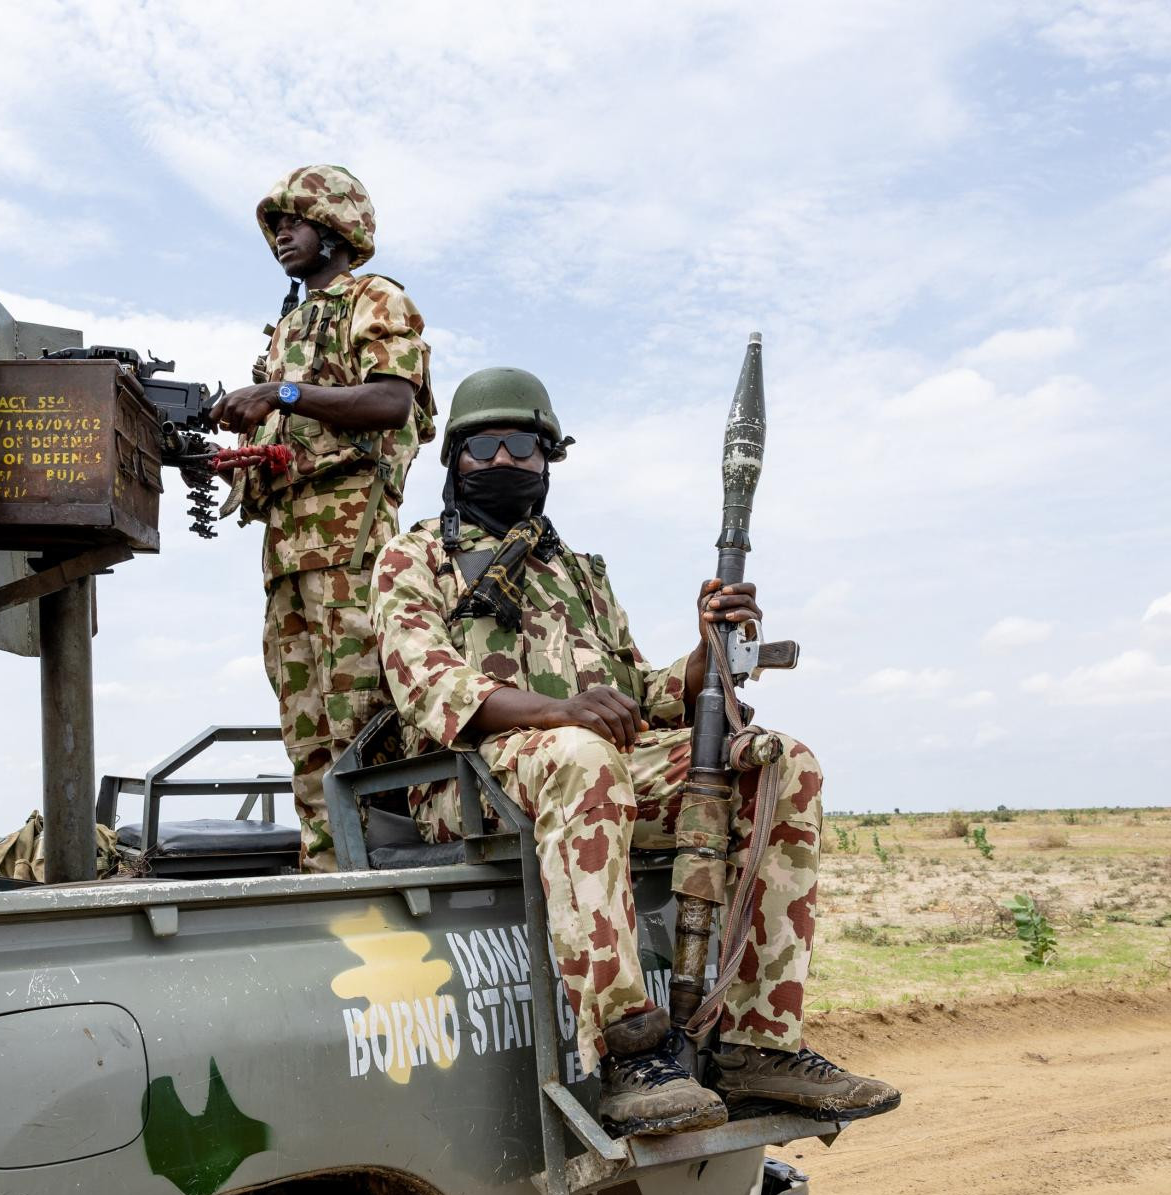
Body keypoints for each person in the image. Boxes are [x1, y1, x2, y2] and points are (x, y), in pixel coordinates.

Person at [369, 366, 900, 1136]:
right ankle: (628, 1052)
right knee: (583, 753)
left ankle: (758, 1045)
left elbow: (643, 693)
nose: (503, 459)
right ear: (454, 461)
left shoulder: (578, 573)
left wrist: (708, 650)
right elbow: (430, 687)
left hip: (595, 765)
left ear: (548, 459)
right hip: (473, 781)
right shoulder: (412, 557)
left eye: (522, 444)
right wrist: (562, 712)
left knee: (782, 761)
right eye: (482, 446)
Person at [209, 165, 435, 873]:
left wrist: (281, 392)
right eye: (276, 224)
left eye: (295, 221)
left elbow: (391, 402)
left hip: (351, 547)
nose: (281, 234)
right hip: (286, 554)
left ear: (335, 229)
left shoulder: (374, 298)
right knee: (304, 728)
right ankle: (327, 875)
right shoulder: (288, 328)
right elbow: (284, 434)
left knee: (362, 719)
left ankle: (388, 872)